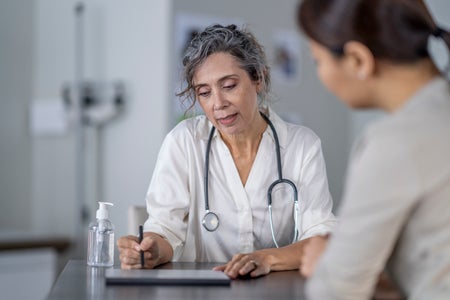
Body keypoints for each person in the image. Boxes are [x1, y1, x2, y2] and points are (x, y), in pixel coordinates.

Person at [117, 24, 337, 279]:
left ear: (259, 79)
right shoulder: (184, 141)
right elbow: (166, 229)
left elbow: (321, 237)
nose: (218, 104)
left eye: (229, 85)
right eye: (205, 93)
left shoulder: (302, 146)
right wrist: (152, 249)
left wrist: (265, 258)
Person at [296, 0, 450, 299]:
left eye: (318, 61)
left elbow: (335, 293)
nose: (321, 74)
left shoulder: (395, 143)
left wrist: (325, 263)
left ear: (357, 59)